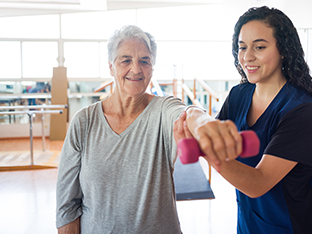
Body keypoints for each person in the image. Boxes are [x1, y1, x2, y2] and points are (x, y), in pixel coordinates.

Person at [174, 6, 312, 234]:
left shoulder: (302, 110)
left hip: (292, 227)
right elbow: (215, 136)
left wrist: (204, 149)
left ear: (283, 50)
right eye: (242, 47)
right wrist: (196, 122)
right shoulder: (239, 95)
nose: (247, 57)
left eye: (259, 47)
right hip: (249, 224)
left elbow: (258, 183)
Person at [56, 25, 203, 234]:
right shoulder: (84, 122)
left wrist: (204, 122)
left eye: (145, 61)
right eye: (126, 60)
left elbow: (186, 113)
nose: (136, 69)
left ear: (152, 67)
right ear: (111, 67)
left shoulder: (163, 110)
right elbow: (67, 207)